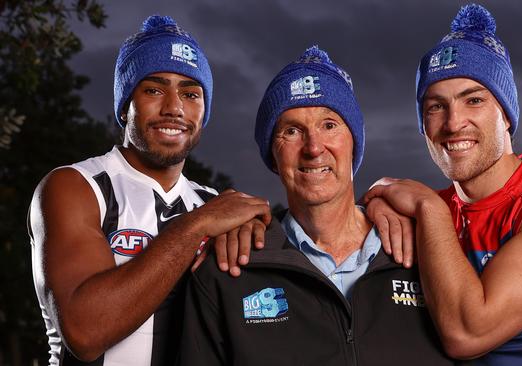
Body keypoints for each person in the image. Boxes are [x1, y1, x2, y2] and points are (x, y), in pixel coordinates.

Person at [363, 4, 522, 365]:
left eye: (474, 100)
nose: (453, 123)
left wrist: (427, 208)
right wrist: (376, 198)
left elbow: (467, 334)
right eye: (436, 106)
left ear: (506, 115)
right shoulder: (426, 207)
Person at [178, 46, 452, 365]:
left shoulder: (425, 255)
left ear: (354, 142)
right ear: (273, 156)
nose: (313, 147)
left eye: (329, 125)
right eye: (292, 131)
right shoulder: (228, 269)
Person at [28, 15, 270, 366]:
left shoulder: (214, 205)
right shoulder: (75, 185)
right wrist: (196, 225)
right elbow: (85, 333)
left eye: (190, 93)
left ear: (203, 112)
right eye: (154, 90)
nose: (174, 108)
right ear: (126, 105)